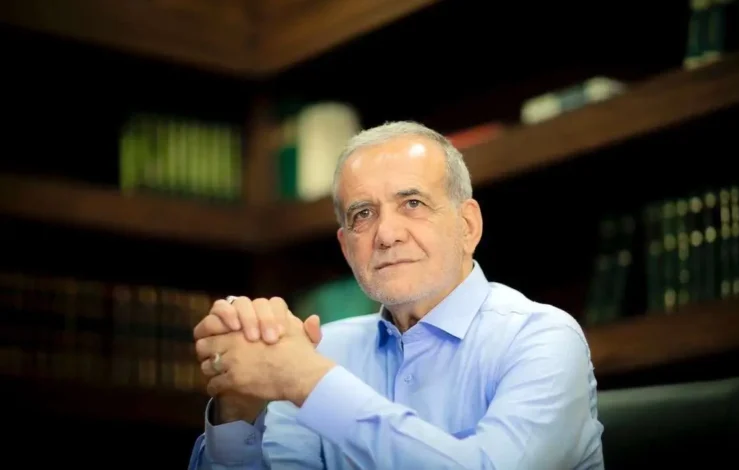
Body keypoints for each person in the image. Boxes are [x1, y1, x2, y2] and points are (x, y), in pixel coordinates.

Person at [188, 121, 605, 469]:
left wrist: (309, 382)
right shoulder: (322, 349)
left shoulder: (544, 338)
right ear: (346, 247)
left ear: (468, 226)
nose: (386, 234)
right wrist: (238, 409)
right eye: (363, 214)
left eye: (413, 203)